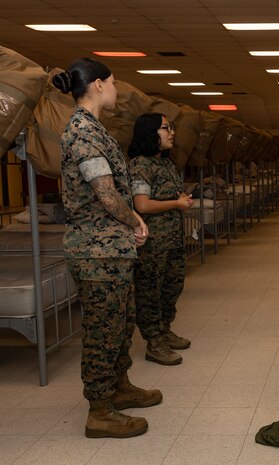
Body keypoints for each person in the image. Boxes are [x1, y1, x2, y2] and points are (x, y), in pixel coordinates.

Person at [54, 57, 162, 438]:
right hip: (96, 251)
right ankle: (99, 410)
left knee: (120, 322)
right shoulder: (83, 132)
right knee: (102, 330)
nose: (117, 90)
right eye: (114, 83)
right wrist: (136, 220)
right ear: (98, 85)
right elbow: (106, 194)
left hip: (111, 250)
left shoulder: (96, 128)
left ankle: (120, 386)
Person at [129, 114, 193, 365]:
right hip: (152, 244)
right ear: (150, 132)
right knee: (149, 293)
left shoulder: (166, 165)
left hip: (173, 241)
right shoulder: (140, 165)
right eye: (166, 128)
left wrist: (181, 199)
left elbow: (168, 196)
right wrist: (176, 203)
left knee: (172, 287)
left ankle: (164, 330)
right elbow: (141, 204)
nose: (172, 132)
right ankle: (154, 342)